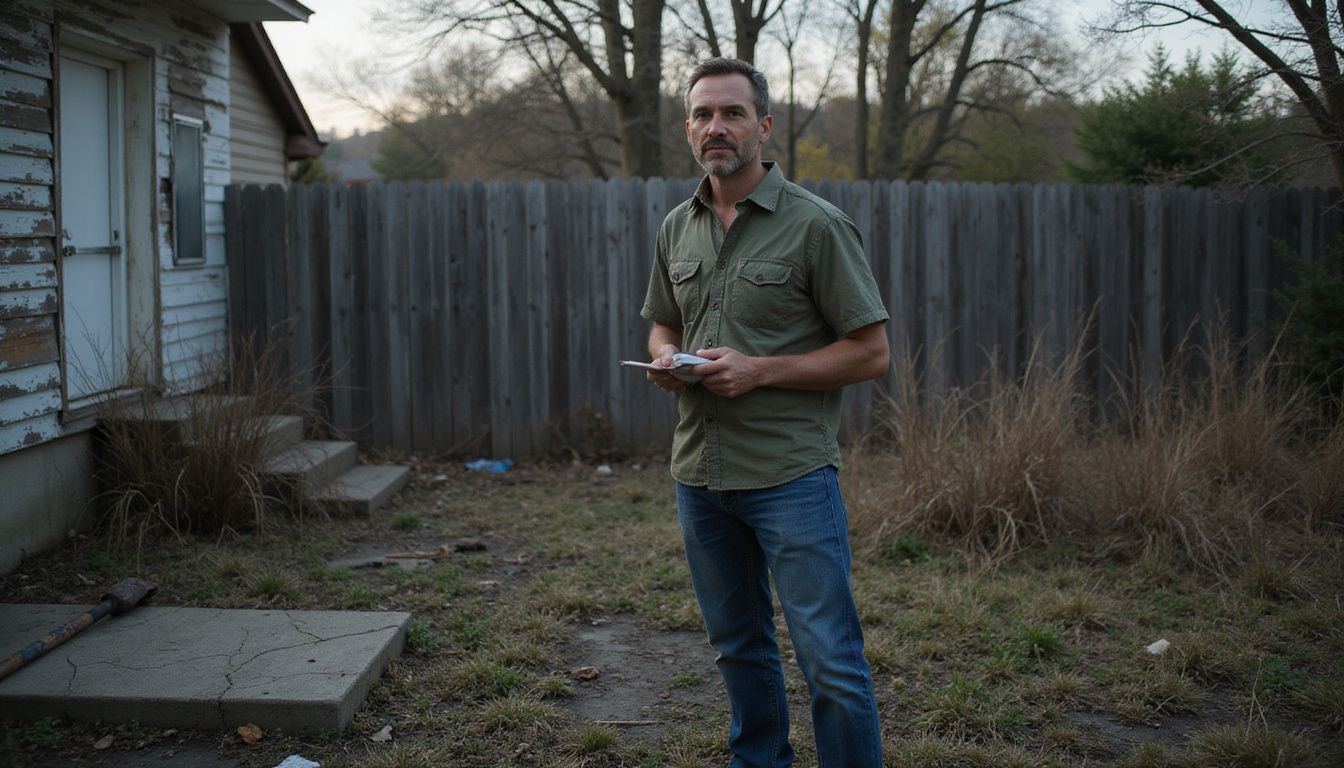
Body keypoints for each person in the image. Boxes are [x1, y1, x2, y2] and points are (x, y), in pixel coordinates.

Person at [640, 57, 889, 768]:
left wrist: (761, 370)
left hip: (790, 479)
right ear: (688, 129)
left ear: (764, 125)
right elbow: (662, 325)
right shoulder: (676, 228)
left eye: (732, 113)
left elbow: (871, 355)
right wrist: (666, 359)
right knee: (737, 649)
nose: (715, 127)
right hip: (700, 477)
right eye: (701, 115)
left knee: (830, 661)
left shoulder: (817, 226)